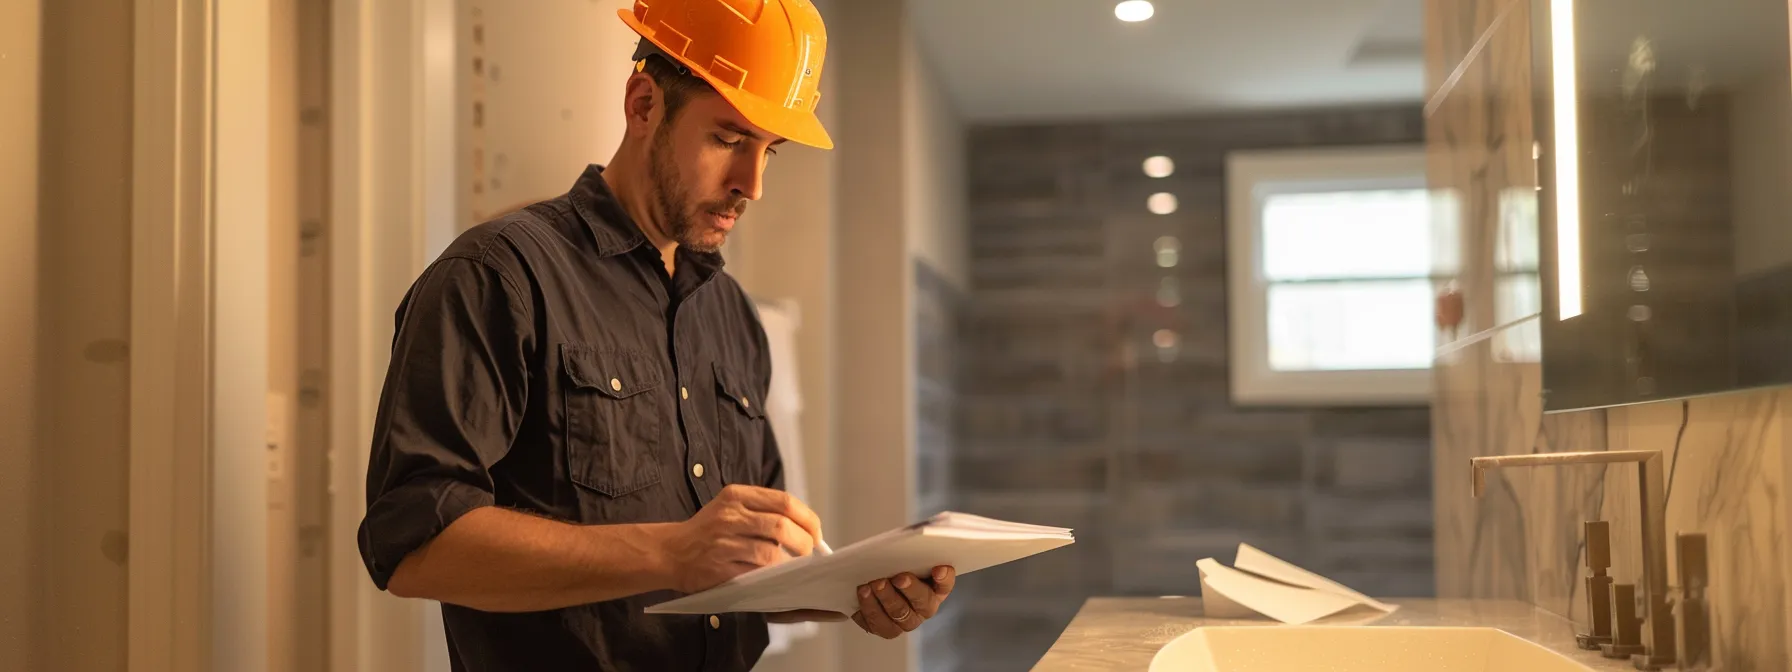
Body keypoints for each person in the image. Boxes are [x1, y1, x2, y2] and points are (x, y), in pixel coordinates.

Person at [354, 1, 954, 669]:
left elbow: (745, 568)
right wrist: (670, 551)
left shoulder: (733, 317)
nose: (751, 185)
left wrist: (853, 593)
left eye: (769, 151)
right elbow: (411, 544)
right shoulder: (500, 276)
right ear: (643, 105)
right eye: (728, 139)